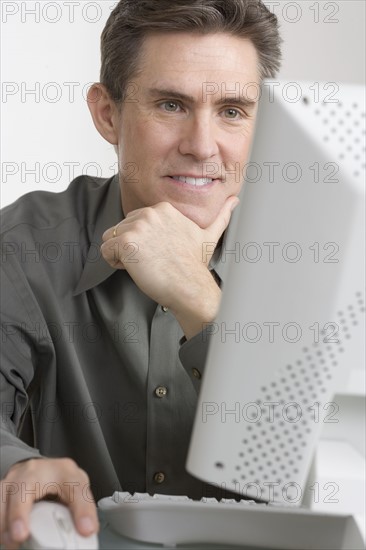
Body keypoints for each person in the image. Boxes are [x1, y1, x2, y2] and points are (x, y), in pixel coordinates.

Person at [0, 0, 281, 546]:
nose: (202, 147)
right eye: (171, 104)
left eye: (232, 111)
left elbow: (311, 468)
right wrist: (13, 470)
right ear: (108, 114)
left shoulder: (314, 263)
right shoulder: (23, 247)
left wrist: (200, 299)